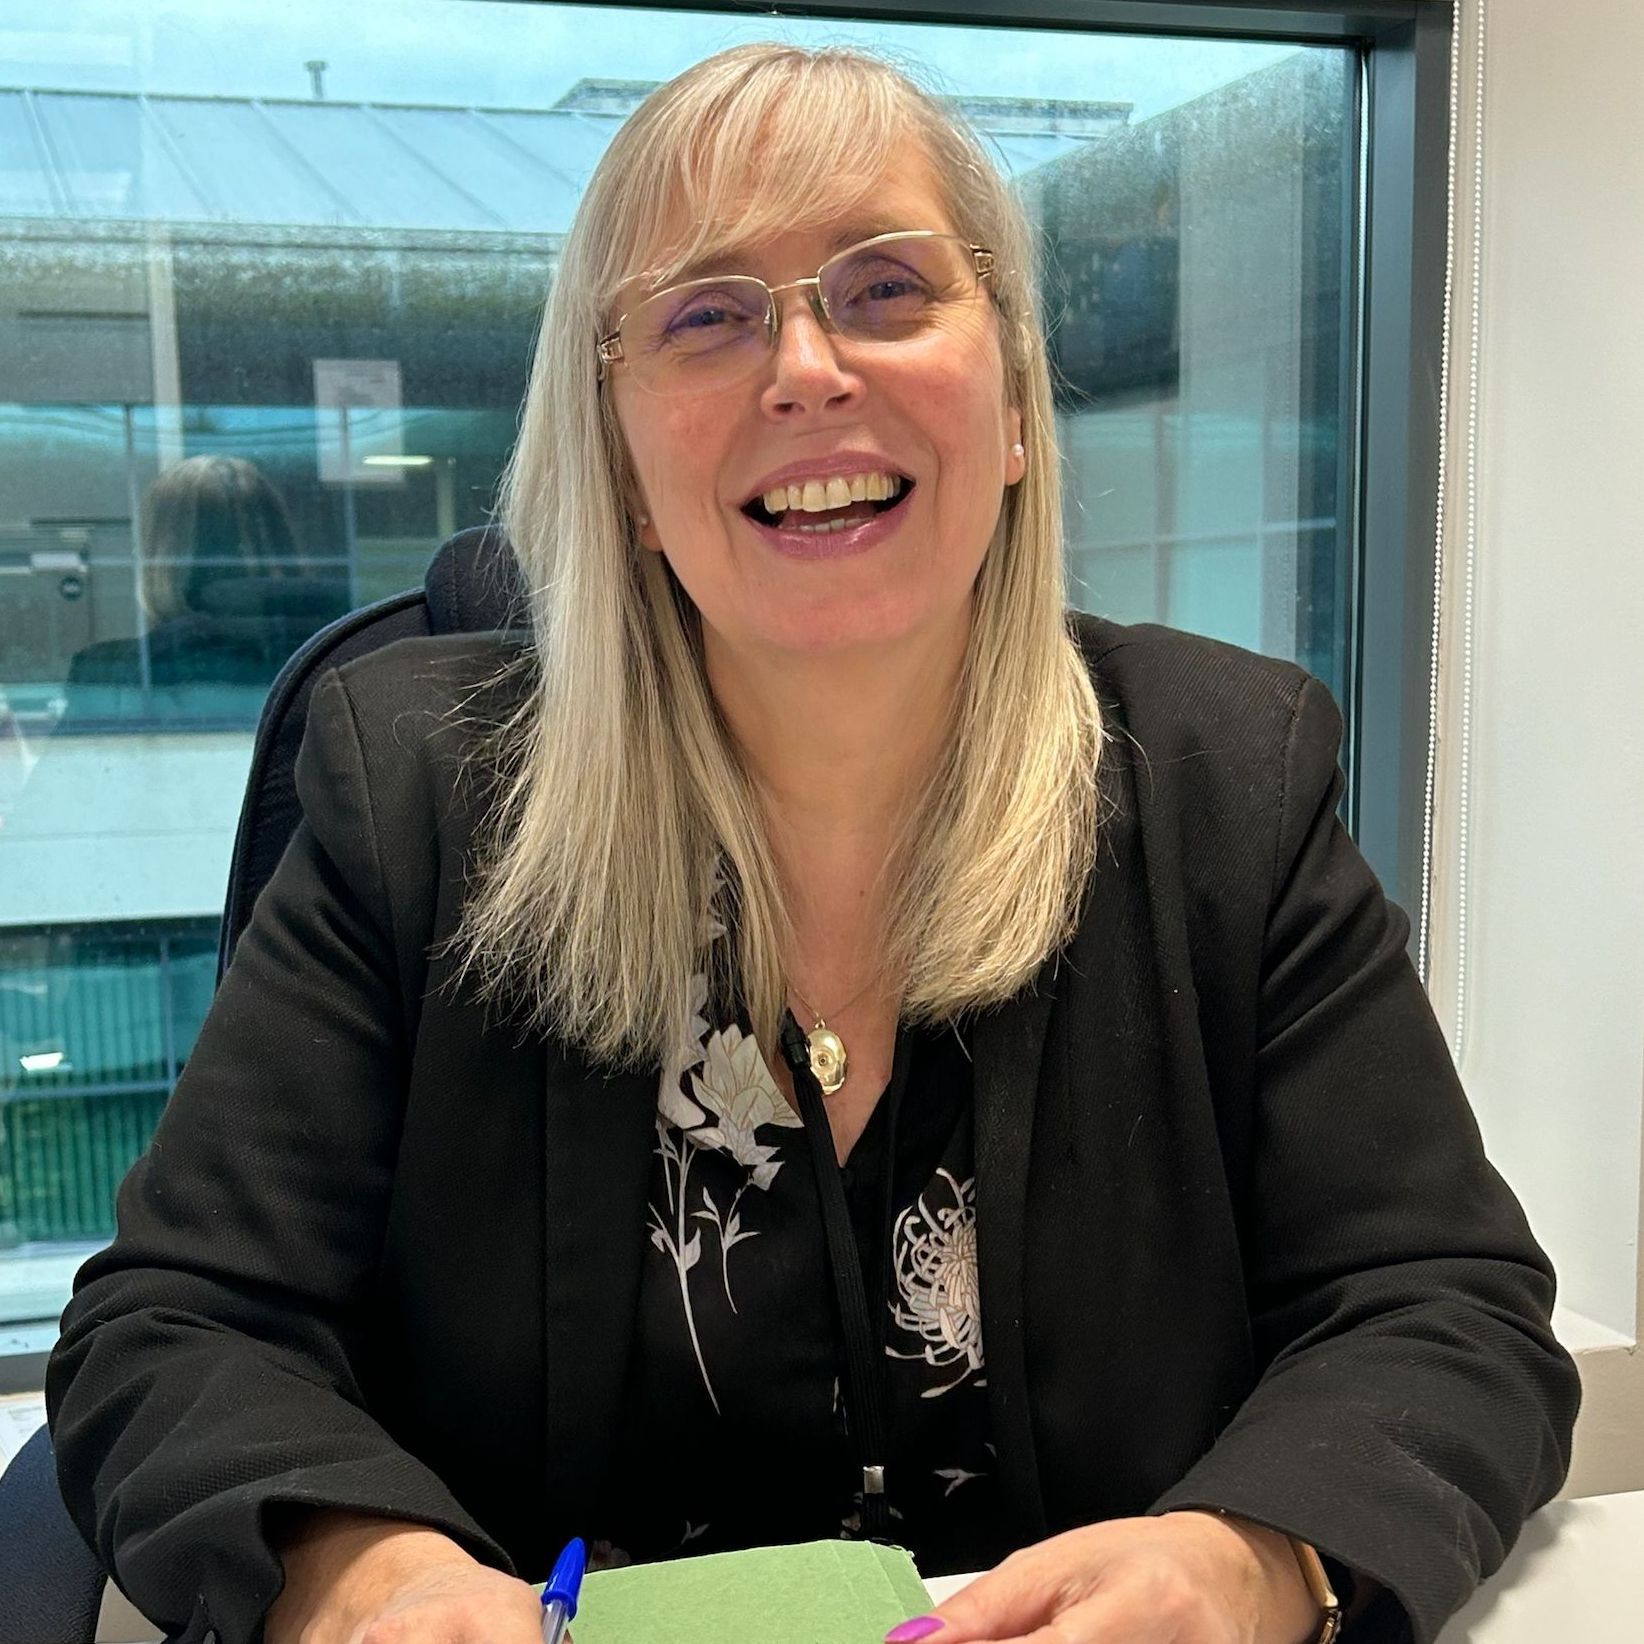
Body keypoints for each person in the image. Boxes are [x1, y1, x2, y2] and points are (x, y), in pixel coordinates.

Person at [46, 43, 1578, 1644]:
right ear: (625, 468)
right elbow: (174, 1326)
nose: (806, 369)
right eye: (707, 315)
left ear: (1013, 411)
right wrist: (371, 1580)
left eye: (887, 287)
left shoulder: (1228, 783)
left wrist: (1255, 1558)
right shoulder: (420, 794)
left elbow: (1443, 1306)